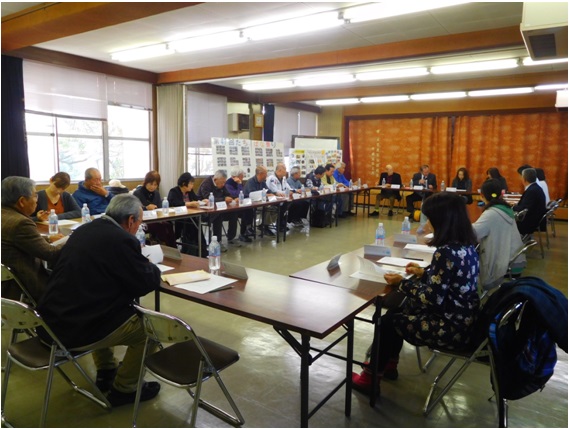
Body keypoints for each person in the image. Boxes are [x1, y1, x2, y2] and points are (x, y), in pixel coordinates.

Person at [36, 194, 161, 407]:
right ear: (131, 220)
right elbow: (145, 282)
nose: (139, 227)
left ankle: (106, 371)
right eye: (140, 222)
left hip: (49, 320)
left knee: (108, 307)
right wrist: (152, 266)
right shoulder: (121, 239)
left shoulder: (85, 229)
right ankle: (125, 389)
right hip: (74, 330)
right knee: (151, 330)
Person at [352, 192, 480, 393]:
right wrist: (424, 272)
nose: (427, 223)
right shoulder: (467, 247)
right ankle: (388, 367)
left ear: (442, 221)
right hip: (464, 319)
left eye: (429, 219)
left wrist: (402, 282)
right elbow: (450, 280)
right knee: (395, 314)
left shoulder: (444, 252)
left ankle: (369, 379)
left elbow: (431, 298)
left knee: (388, 322)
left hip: (449, 328)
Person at [1, 176, 65, 301]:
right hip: (24, 286)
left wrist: (49, 239)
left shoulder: (5, 215)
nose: (37, 200)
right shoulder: (21, 223)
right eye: (35, 195)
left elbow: (21, 241)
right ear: (22, 201)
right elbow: (50, 254)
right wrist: (73, 240)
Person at [473, 179, 526, 291]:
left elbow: (473, 234)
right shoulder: (505, 208)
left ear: (482, 195)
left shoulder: (491, 213)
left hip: (507, 263)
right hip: (515, 259)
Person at [167, 172, 207, 256]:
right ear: (184, 183)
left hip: (190, 216)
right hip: (178, 218)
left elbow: (195, 200)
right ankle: (192, 249)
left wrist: (202, 201)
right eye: (191, 183)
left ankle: (200, 250)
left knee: (195, 224)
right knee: (193, 224)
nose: (192, 185)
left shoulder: (190, 192)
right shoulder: (174, 191)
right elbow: (174, 203)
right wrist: (188, 204)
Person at [197, 170, 239, 250]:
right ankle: (218, 242)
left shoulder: (222, 183)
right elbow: (207, 198)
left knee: (234, 213)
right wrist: (223, 199)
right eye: (222, 183)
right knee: (218, 215)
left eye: (224, 183)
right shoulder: (206, 184)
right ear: (215, 180)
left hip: (220, 208)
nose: (223, 185)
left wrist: (231, 198)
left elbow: (227, 194)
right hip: (205, 212)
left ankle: (231, 237)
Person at [133, 170, 176, 247]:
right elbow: (134, 209)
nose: (152, 187)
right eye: (150, 184)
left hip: (155, 219)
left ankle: (172, 248)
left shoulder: (156, 193)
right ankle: (165, 247)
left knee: (169, 225)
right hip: (142, 222)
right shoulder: (137, 193)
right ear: (146, 182)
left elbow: (159, 208)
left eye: (155, 185)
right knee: (162, 227)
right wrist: (146, 208)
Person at [513, 168, 546, 236]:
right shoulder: (535, 188)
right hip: (535, 217)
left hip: (530, 221)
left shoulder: (531, 191)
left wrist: (512, 207)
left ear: (524, 179)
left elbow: (524, 208)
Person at [243, 166, 274, 237]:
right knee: (268, 208)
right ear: (260, 174)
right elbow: (253, 195)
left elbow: (269, 192)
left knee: (274, 207)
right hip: (250, 205)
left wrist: (269, 194)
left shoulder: (263, 182)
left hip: (261, 203)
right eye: (265, 174)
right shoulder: (251, 182)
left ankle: (264, 225)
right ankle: (264, 227)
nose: (266, 175)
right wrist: (265, 195)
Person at [224, 168, 253, 243]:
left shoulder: (238, 182)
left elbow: (242, 194)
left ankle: (247, 230)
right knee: (243, 213)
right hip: (230, 208)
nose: (243, 177)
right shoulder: (228, 184)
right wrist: (240, 184)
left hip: (238, 205)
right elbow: (236, 194)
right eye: (242, 175)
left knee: (249, 209)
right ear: (238, 176)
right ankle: (241, 234)